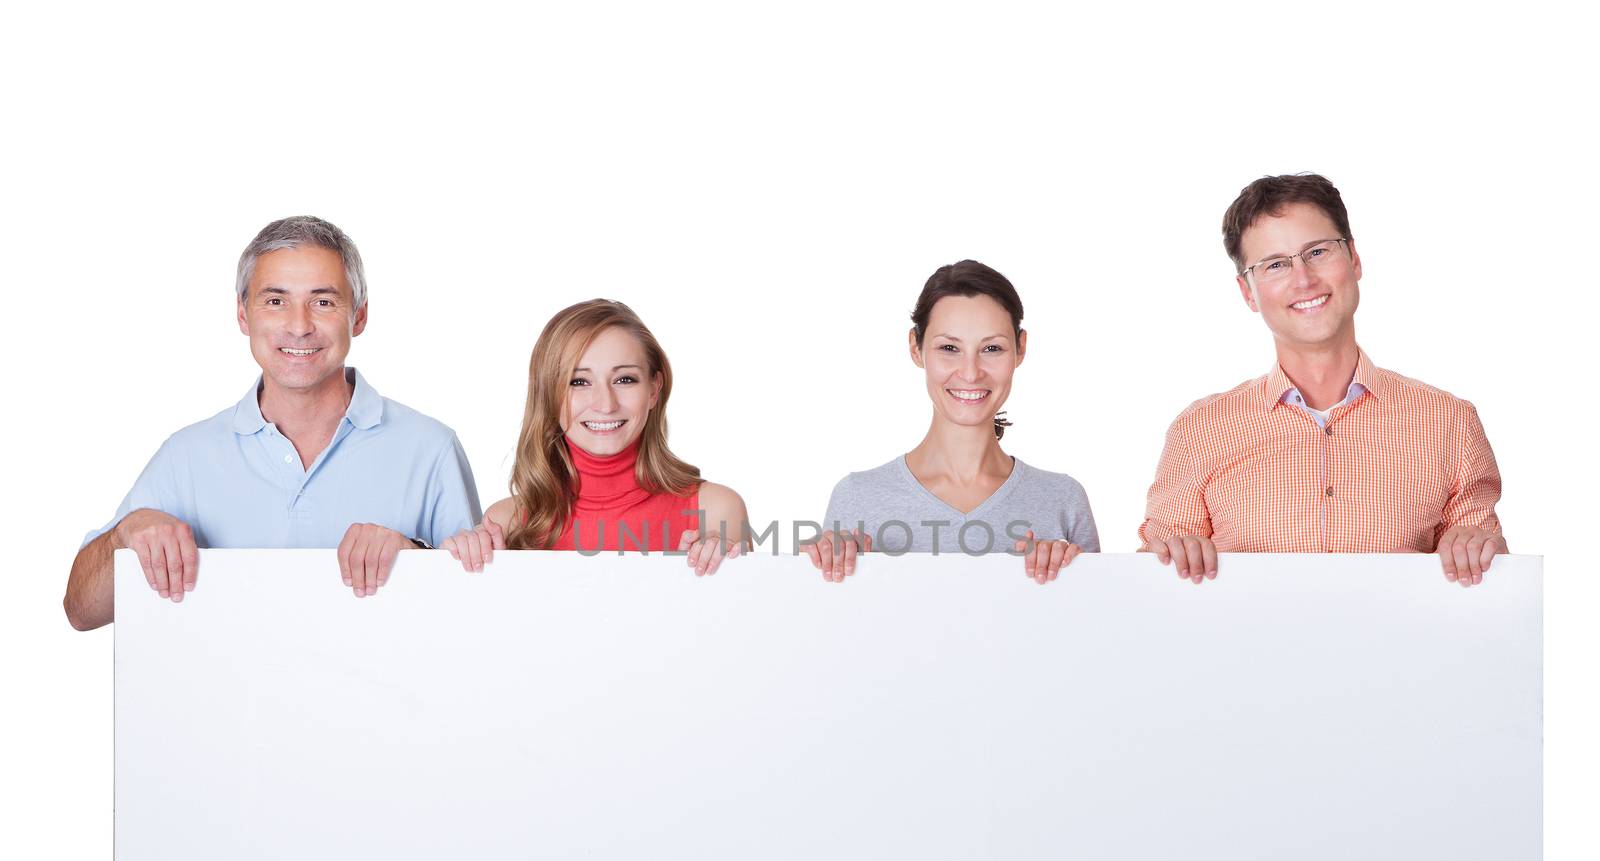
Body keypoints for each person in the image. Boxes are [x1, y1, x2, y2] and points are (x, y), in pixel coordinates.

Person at [62, 216, 481, 630]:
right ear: (244, 316)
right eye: (275, 301)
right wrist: (124, 535)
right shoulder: (186, 457)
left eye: (323, 301)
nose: (299, 326)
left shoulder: (431, 449)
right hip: (228, 700)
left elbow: (481, 621)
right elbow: (81, 611)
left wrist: (416, 559)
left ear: (359, 316)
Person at [1139, 174, 1506, 587]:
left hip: (1400, 650)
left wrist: (1476, 549)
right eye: (1275, 264)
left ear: (1354, 259)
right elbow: (1154, 583)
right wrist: (1171, 558)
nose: (1303, 279)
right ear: (1248, 292)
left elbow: (1492, 591)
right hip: (1245, 651)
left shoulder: (1449, 423)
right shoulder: (1201, 430)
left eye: (1317, 251)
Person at [807, 260, 1099, 584]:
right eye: (949, 348)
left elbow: (1094, 628)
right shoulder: (857, 498)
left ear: (1020, 349)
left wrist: (1073, 576)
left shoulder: (1063, 501)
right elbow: (834, 629)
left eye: (992, 348)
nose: (971, 372)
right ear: (916, 349)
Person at [441, 299, 747, 575]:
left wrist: (717, 578)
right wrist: (450, 570)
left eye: (625, 379)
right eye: (579, 381)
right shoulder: (506, 522)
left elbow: (747, 630)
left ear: (654, 389)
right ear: (549, 394)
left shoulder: (715, 511)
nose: (605, 403)